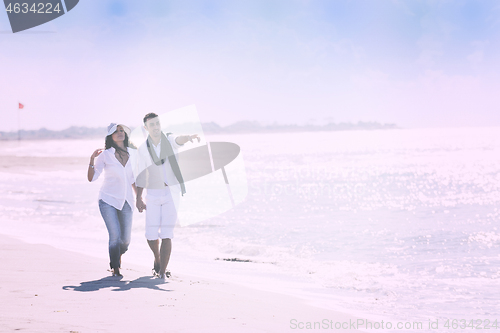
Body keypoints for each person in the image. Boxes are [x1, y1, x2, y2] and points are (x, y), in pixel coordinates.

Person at [135, 113, 199, 280]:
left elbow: (179, 140)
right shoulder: (143, 149)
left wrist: (188, 137)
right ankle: (157, 259)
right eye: (152, 124)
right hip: (153, 194)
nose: (155, 127)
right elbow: (141, 175)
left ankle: (162, 272)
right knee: (150, 235)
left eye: (157, 123)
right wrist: (138, 198)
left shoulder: (169, 140)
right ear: (146, 128)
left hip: (171, 193)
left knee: (167, 233)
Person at [88, 123, 137, 277]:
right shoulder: (105, 155)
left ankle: (118, 257)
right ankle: (115, 268)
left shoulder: (133, 153)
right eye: (116, 131)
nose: (120, 133)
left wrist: (140, 198)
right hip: (107, 200)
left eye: (121, 130)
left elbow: (133, 179)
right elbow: (92, 178)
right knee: (114, 235)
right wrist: (91, 159)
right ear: (111, 136)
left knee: (125, 240)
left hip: (127, 201)